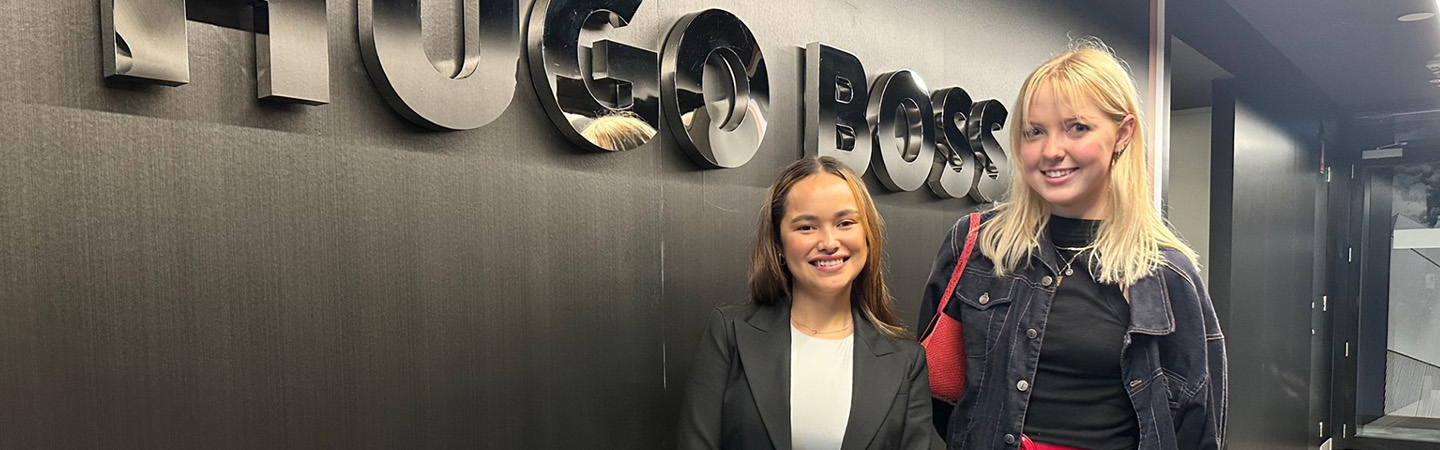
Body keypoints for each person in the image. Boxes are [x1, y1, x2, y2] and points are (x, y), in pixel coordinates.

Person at [919, 39, 1227, 450]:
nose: (1051, 151)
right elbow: (935, 394)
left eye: (1077, 128)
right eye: (1034, 132)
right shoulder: (979, 245)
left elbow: (1196, 426)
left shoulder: (1166, 275)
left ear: (1122, 134)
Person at [677, 156, 933, 450]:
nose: (829, 242)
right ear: (778, 244)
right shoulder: (730, 334)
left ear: (868, 235)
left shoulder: (906, 361)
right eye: (807, 227)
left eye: (845, 223)